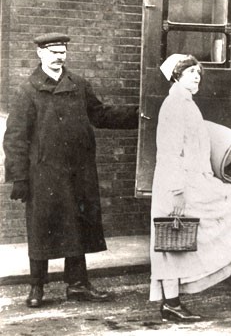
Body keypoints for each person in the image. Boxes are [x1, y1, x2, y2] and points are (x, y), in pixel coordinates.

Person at [3, 33, 139, 308]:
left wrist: (140, 115)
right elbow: (15, 137)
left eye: (62, 51)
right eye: (52, 51)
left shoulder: (78, 85)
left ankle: (78, 285)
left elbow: (100, 114)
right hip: (43, 175)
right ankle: (37, 287)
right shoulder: (27, 91)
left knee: (77, 226)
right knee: (41, 230)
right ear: (40, 54)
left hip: (78, 172)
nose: (58, 57)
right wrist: (19, 177)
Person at [150, 54, 231, 323]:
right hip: (178, 182)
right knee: (175, 241)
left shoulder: (186, 103)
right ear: (177, 76)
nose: (196, 76)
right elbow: (169, 152)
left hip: (190, 179)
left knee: (178, 241)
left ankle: (173, 303)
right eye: (190, 72)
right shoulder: (174, 104)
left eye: (198, 72)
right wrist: (177, 191)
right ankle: (171, 304)